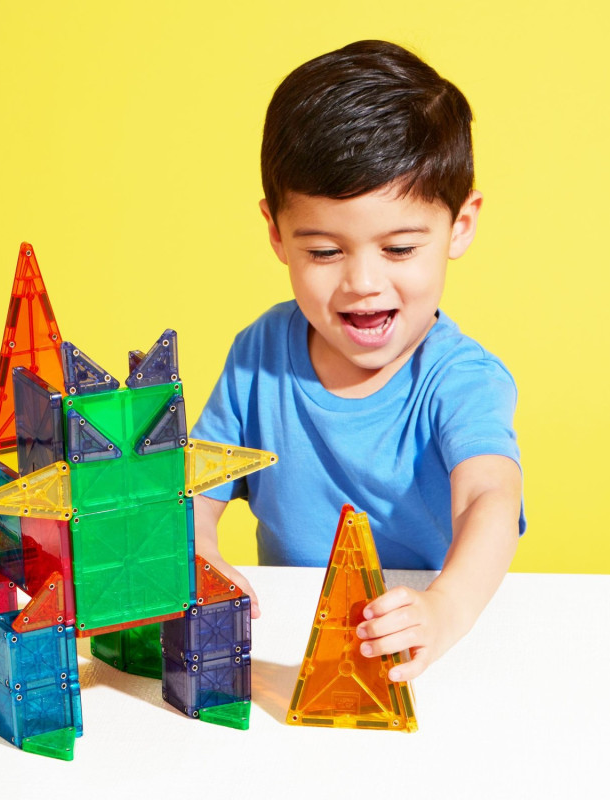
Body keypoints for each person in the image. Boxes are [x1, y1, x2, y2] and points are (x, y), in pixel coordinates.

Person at [191, 40, 525, 682]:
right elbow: (197, 490)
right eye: (324, 252)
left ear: (460, 225)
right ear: (276, 232)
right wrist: (200, 552)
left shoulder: (461, 379)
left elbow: (490, 496)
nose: (363, 283)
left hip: (413, 643)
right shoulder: (259, 354)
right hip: (292, 641)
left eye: (399, 249)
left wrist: (445, 609)